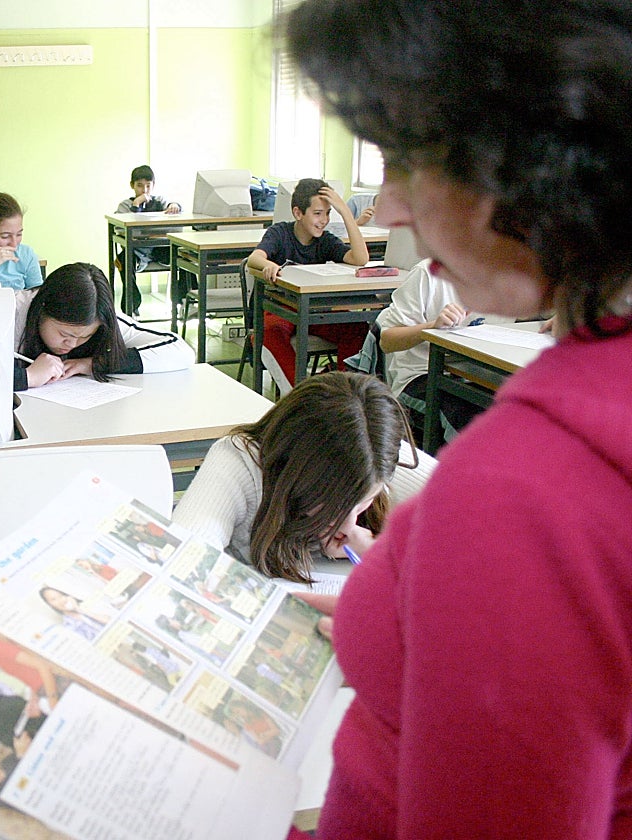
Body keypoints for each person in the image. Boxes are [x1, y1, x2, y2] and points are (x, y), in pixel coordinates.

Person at [282, 1, 632, 836]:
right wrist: (411, 607)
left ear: (535, 158)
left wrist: (465, 582)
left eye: (406, 159)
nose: (388, 208)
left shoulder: (516, 497)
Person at [172, 372, 432, 583]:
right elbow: (182, 561)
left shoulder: (374, 452)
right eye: (333, 503)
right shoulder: (239, 460)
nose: (348, 524)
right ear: (295, 472)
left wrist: (378, 549)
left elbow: (459, 511)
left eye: (363, 502)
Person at [246, 178, 370, 383]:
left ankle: (340, 387)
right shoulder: (280, 233)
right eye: (318, 213)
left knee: (357, 328)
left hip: (313, 309)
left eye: (328, 213)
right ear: (298, 213)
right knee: (269, 333)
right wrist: (268, 265)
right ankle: (300, 390)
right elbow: (254, 258)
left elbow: (360, 259)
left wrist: (345, 212)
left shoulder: (325, 240)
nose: (324, 220)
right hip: (280, 308)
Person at [14, 262, 194, 390]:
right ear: (42, 310)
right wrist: (28, 376)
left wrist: (93, 364)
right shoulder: (12, 313)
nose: (72, 344)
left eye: (85, 336)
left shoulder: (97, 316)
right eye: (64, 334)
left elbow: (180, 351)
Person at [374, 257, 491, 438]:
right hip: (421, 375)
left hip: (481, 376)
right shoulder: (428, 273)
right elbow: (387, 341)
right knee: (471, 422)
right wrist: (432, 326)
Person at [114, 164, 183, 315]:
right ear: (132, 185)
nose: (144, 190)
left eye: (148, 186)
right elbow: (123, 229)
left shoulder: (160, 201)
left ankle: (184, 301)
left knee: (184, 255)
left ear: (153, 185)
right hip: (137, 251)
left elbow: (176, 215)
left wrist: (175, 205)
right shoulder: (125, 205)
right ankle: (131, 306)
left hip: (159, 249)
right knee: (123, 260)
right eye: (139, 186)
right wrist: (136, 206)